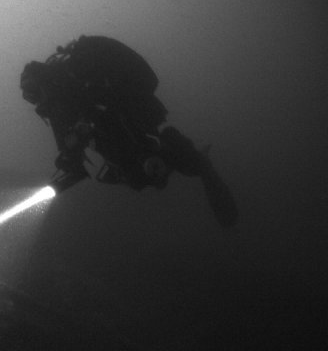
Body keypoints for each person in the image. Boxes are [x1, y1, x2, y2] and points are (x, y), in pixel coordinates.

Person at [21, 35, 237, 227]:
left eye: (37, 96)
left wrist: (91, 120)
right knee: (140, 178)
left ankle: (195, 161)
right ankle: (175, 159)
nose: (41, 105)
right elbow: (70, 150)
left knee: (168, 161)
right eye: (34, 100)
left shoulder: (77, 73)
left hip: (133, 119)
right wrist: (69, 160)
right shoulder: (58, 106)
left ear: (45, 82)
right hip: (116, 139)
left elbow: (114, 96)